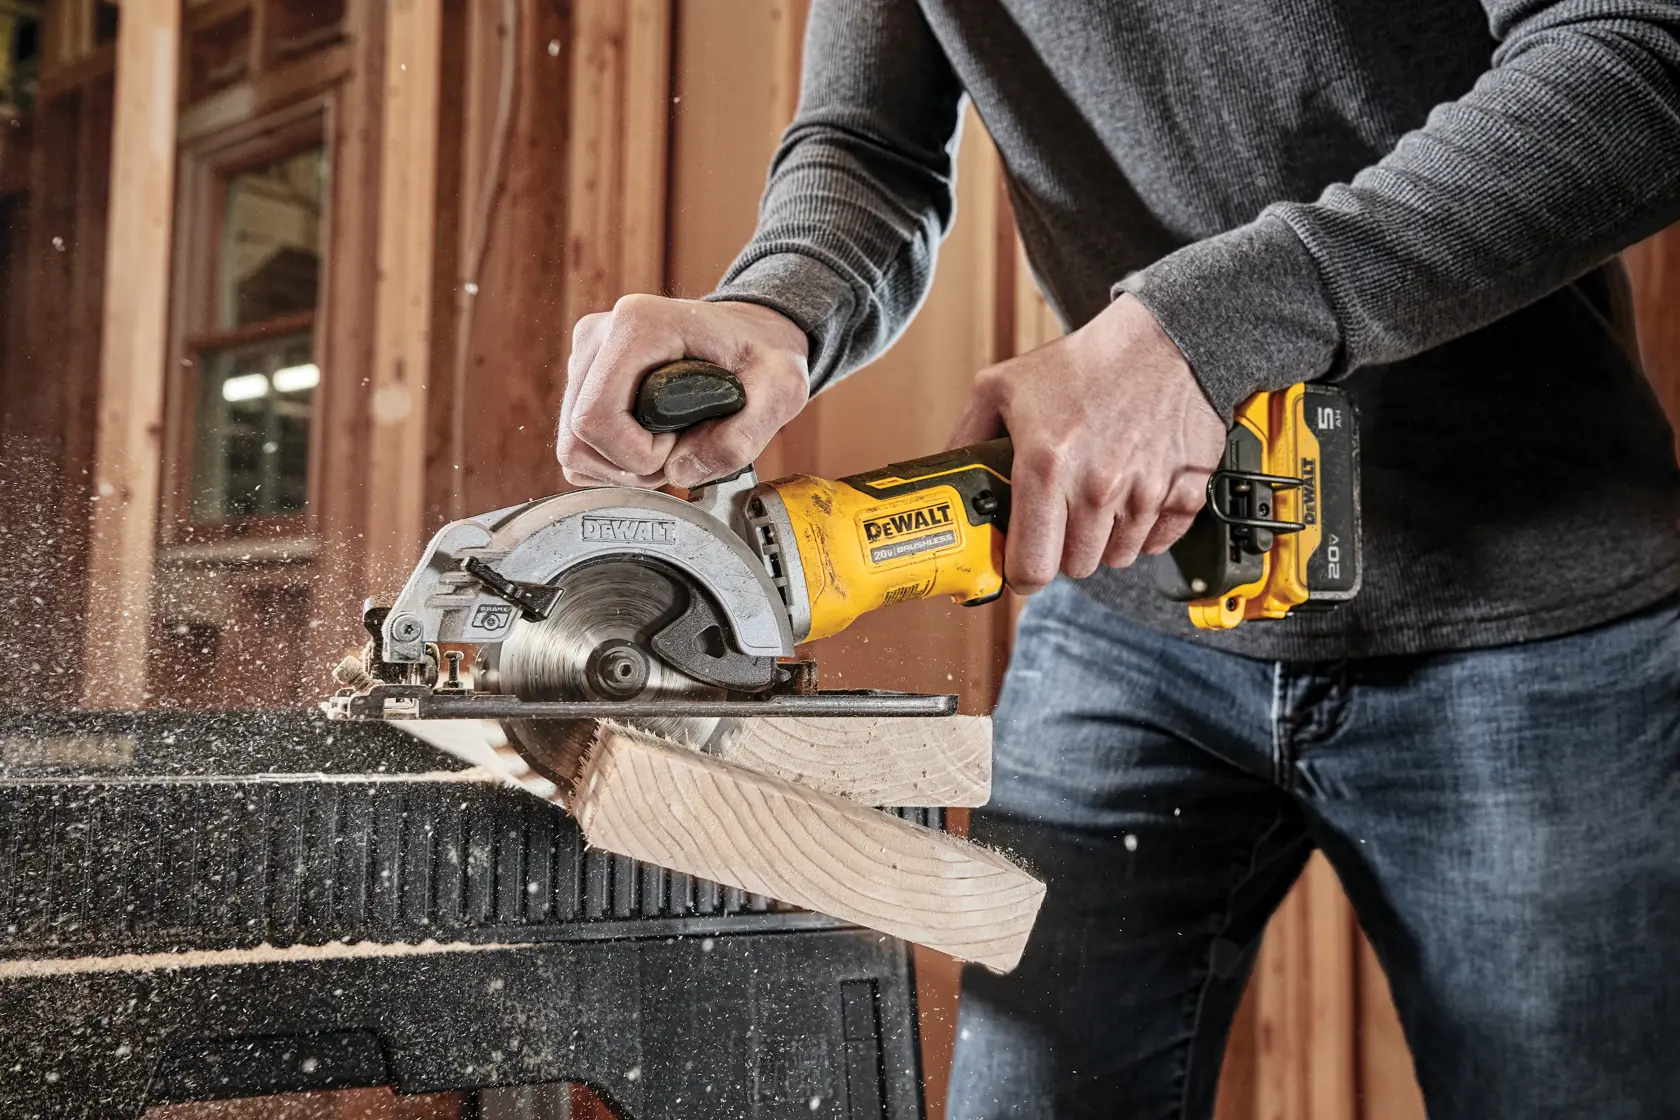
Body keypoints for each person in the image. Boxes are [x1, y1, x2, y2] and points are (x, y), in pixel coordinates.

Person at [556, 1, 1680, 1115]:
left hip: (1532, 617)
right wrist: (776, 301)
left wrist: (1191, 334)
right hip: (1135, 620)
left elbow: (1638, 56)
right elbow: (869, 144)